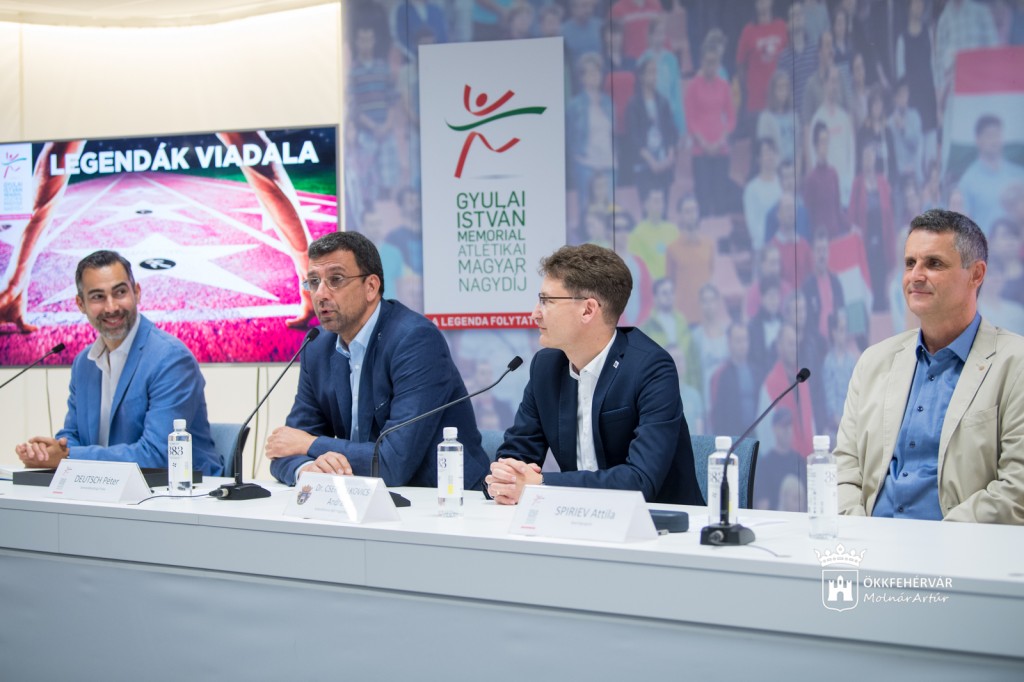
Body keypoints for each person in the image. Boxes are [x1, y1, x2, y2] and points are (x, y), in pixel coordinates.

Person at [835, 209, 1024, 524]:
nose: (915, 276)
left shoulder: (1015, 363)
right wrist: (860, 532)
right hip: (870, 544)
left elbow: (1017, 488)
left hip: (962, 548)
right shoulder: (873, 362)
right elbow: (844, 468)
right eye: (910, 263)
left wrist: (937, 542)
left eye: (934, 263)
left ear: (976, 274)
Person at [266, 232, 488, 489]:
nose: (320, 294)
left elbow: (393, 463)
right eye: (314, 282)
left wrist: (310, 445)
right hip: (361, 496)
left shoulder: (415, 340)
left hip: (442, 497)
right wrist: (307, 469)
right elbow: (284, 447)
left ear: (371, 287)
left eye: (335, 280)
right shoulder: (317, 346)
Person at [485, 244, 701, 505]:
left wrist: (539, 485)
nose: (535, 314)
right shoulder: (546, 366)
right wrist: (505, 479)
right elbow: (517, 453)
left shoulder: (651, 369)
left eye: (547, 301)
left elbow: (640, 481)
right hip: (575, 518)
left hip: (659, 522)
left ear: (588, 310)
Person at [15, 250, 220, 474]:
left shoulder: (170, 359)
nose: (111, 307)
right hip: (108, 486)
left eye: (120, 292)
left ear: (137, 292)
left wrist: (67, 456)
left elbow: (158, 455)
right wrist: (48, 452)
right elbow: (73, 435)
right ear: (81, 304)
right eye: (98, 297)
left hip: (182, 488)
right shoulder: (84, 363)